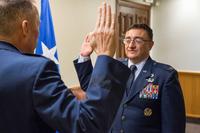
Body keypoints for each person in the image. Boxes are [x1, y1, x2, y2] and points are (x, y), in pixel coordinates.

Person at [0, 1, 132, 133]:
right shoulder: (34, 70)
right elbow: (87, 125)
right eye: (38, 25)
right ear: (25, 27)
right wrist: (105, 55)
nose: (38, 33)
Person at [74, 23, 186, 132]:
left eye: (138, 40)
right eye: (127, 40)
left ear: (150, 45)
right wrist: (84, 56)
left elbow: (173, 124)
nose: (131, 45)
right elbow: (90, 87)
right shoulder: (114, 67)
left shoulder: (165, 76)